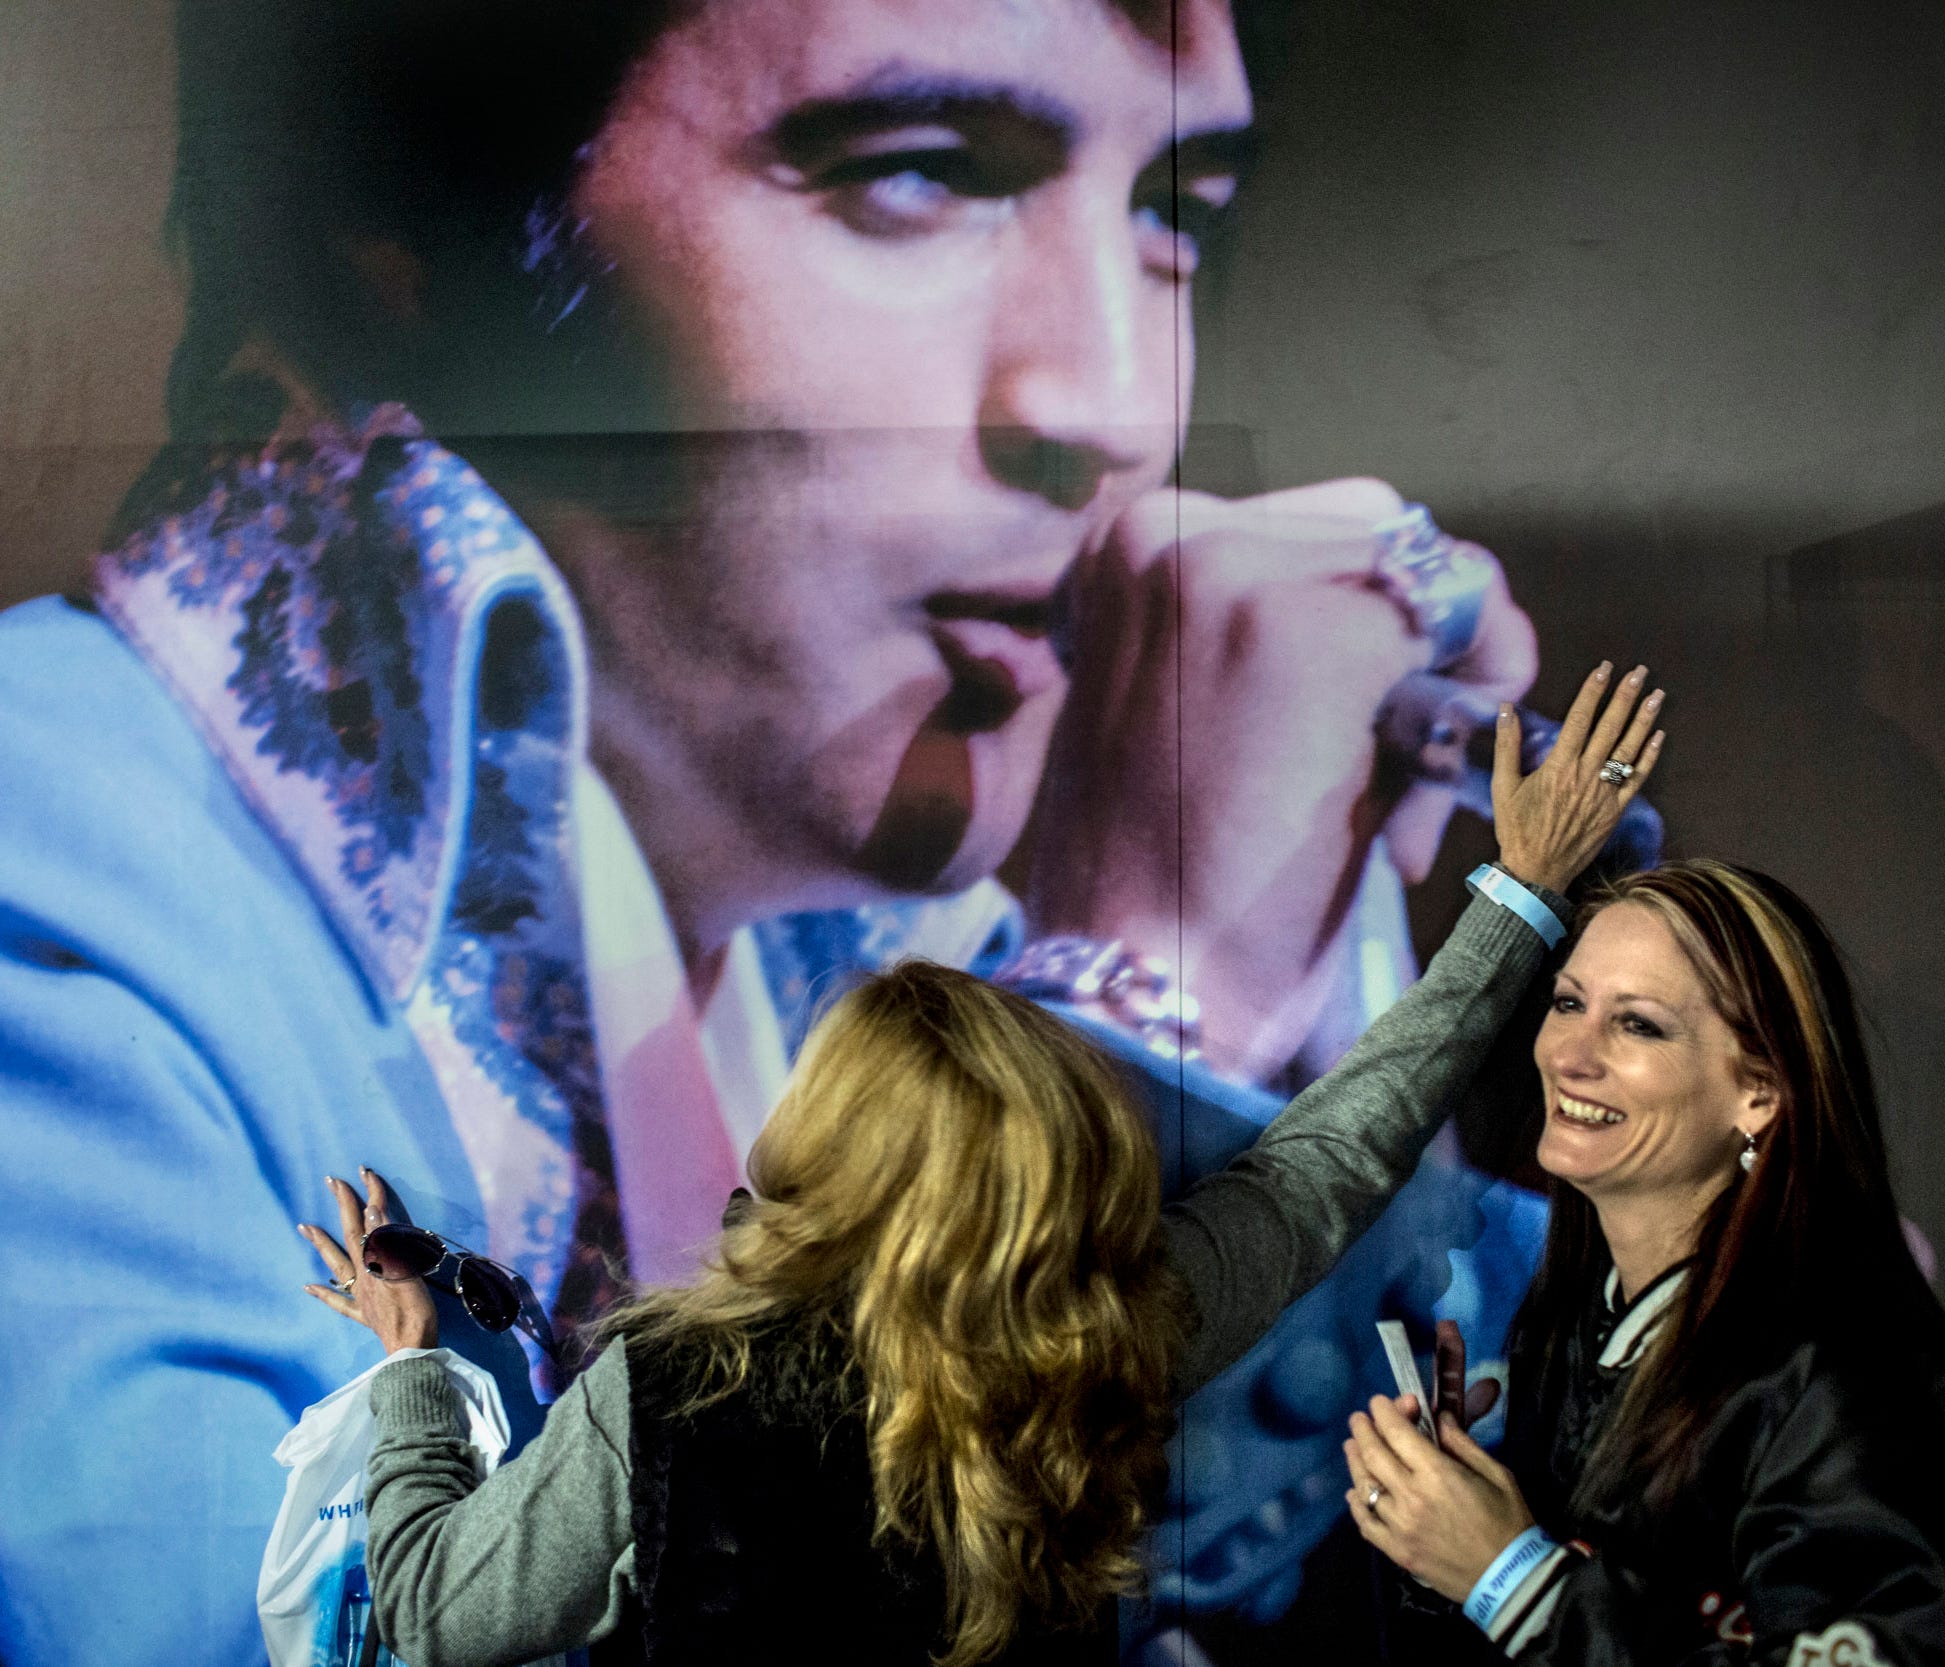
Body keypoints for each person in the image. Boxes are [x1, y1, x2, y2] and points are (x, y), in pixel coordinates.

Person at [0, 3, 1544, 1661]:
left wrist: (1340, 988)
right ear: (417, 214)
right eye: (923, 176)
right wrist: (1158, 1028)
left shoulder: (875, 944)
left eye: (1173, 211)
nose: (1113, 410)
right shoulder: (49, 869)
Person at [294, 664, 1663, 1666]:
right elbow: (1336, 1152)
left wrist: (415, 1366)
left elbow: (433, 1612)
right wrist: (1521, 891)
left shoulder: (669, 1383)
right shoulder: (1107, 1332)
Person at [1343, 859, 1945, 1663]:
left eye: (1638, 1024)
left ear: (1760, 1093)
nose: (1569, 1053)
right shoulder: (1570, 1318)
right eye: (1568, 1002)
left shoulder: (1847, 1364)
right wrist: (1447, 1537)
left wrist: (1513, 1577)